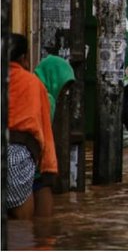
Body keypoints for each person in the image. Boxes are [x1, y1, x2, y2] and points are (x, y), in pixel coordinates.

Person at [7, 33, 57, 219]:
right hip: (18, 156)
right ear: (23, 58)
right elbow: (44, 129)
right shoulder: (33, 84)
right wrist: (48, 170)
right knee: (22, 228)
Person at [32, 54, 75, 217]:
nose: (64, 92)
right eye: (64, 86)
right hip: (37, 160)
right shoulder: (47, 98)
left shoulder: (30, 88)